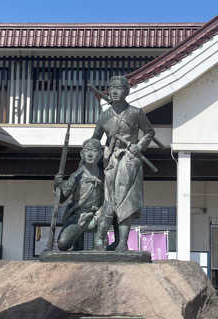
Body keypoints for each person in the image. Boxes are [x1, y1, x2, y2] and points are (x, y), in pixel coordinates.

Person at [92, 76, 155, 251]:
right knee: (109, 200)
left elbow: (149, 132)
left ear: (126, 91)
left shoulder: (136, 112)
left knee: (126, 200)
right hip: (111, 161)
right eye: (111, 88)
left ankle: (122, 243)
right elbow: (95, 139)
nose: (114, 91)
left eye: (119, 88)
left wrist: (139, 146)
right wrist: (94, 152)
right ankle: (101, 240)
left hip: (129, 160)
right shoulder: (104, 116)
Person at [54, 138, 105, 251]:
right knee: (63, 244)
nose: (90, 154)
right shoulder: (76, 176)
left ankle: (108, 242)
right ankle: (77, 243)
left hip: (99, 214)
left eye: (94, 150)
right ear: (82, 154)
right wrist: (57, 186)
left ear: (100, 154)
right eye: (87, 150)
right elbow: (62, 198)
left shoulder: (104, 175)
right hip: (79, 216)